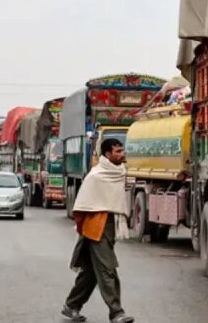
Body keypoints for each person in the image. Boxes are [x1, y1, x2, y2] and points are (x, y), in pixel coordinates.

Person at [61, 138, 134, 323]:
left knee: (92, 272)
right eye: (117, 151)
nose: (121, 154)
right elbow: (81, 206)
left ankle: (71, 305)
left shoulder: (119, 172)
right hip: (96, 227)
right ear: (107, 154)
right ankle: (116, 313)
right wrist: (85, 228)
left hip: (111, 225)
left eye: (122, 150)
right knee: (107, 270)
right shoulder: (96, 175)